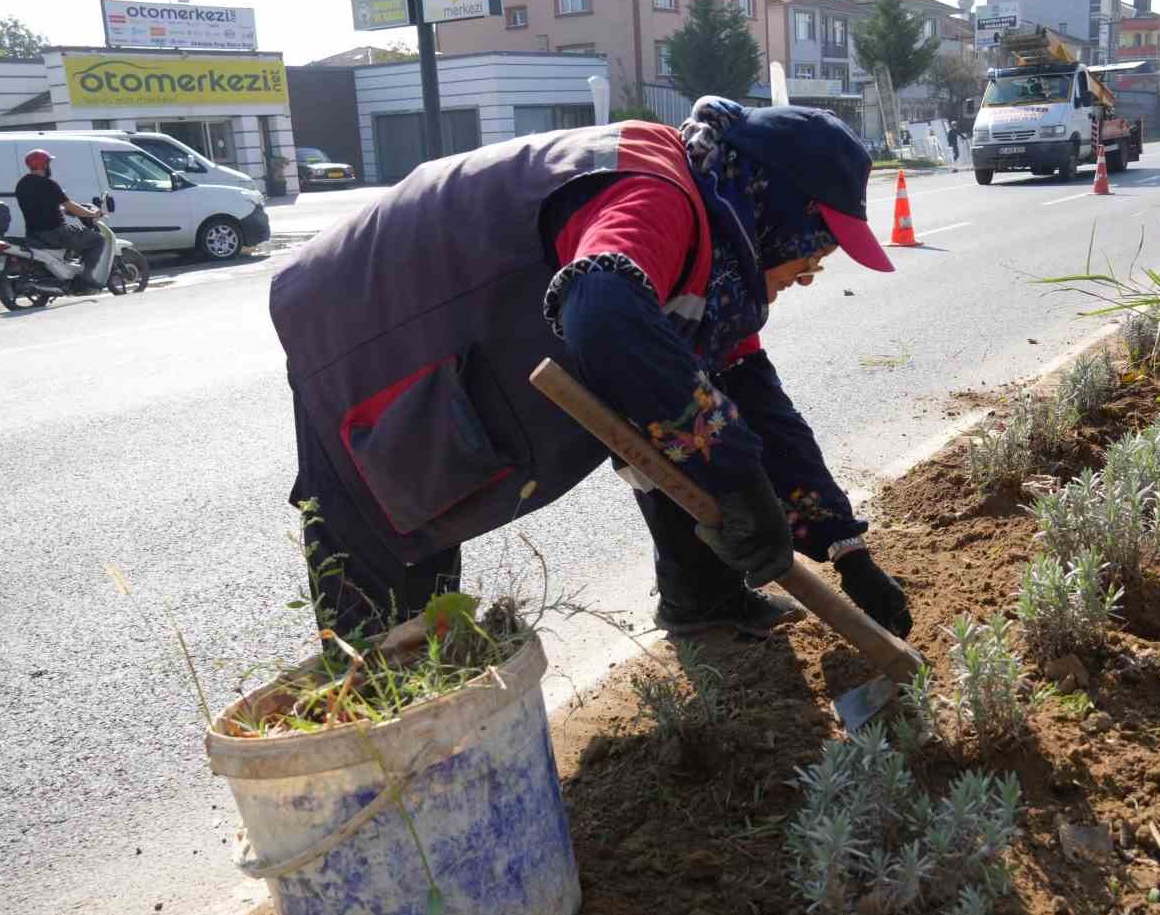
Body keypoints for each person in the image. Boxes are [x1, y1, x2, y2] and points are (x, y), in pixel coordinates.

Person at [270, 98, 914, 645]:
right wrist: (737, 475)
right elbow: (602, 312)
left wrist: (843, 546)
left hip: (459, 329)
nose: (806, 275)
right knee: (394, 599)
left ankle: (704, 600)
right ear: (778, 212)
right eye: (812, 252)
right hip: (365, 329)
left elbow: (753, 402)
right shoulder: (661, 194)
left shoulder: (718, 253)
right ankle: (387, 764)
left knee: (684, 400)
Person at [14, 148, 106, 290]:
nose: (49, 166)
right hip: (56, 233)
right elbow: (70, 205)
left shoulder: (21, 184)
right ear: (44, 165)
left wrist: (62, 210)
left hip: (33, 233)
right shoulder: (49, 184)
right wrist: (91, 213)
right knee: (97, 240)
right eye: (48, 163)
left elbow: (39, 206)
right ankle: (87, 277)